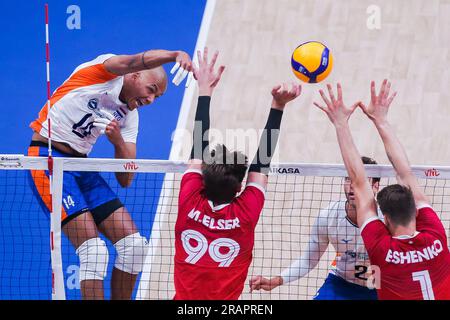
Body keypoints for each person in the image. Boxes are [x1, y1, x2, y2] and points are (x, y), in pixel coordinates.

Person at [27, 49, 192, 300]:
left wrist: (117, 142)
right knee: (94, 252)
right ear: (134, 75)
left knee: (135, 247)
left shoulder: (130, 117)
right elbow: (136, 59)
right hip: (47, 159)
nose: (151, 100)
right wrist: (174, 55)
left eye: (157, 97)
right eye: (151, 89)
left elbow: (126, 178)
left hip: (80, 165)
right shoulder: (104, 71)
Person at [173, 47, 301, 299]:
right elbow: (260, 166)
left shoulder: (189, 201)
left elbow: (198, 146)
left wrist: (205, 90)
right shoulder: (244, 214)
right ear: (239, 189)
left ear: (202, 182)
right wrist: (278, 105)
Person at [314, 80, 450, 300]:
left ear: (384, 219)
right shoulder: (436, 235)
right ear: (416, 211)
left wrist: (341, 123)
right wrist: (382, 121)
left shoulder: (382, 249)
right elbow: (405, 174)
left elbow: (359, 183)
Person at [249, 157, 381, 300]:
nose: (352, 185)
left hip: (380, 288)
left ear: (375, 186)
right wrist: (275, 281)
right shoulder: (329, 216)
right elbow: (308, 260)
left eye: (361, 181)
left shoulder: (389, 220)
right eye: (348, 179)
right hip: (341, 283)